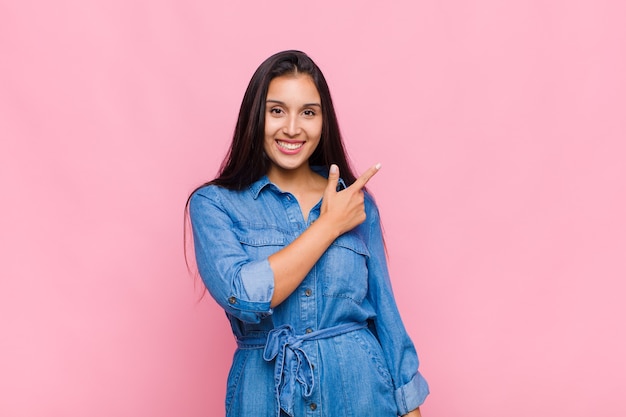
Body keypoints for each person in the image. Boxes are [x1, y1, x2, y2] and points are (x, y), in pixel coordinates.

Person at [186, 50, 429, 417]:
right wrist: (328, 225)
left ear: (323, 121)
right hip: (263, 398)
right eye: (277, 110)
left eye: (309, 112)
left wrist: (411, 407)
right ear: (256, 116)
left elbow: (386, 314)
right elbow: (244, 296)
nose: (293, 128)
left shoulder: (355, 204)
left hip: (363, 394)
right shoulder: (214, 204)